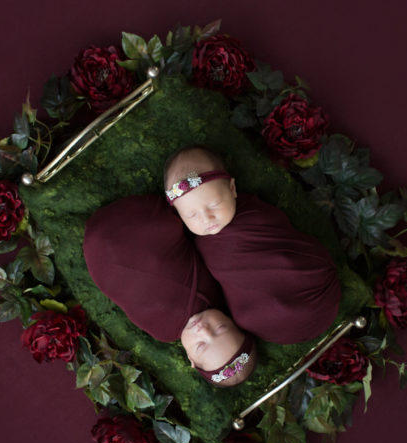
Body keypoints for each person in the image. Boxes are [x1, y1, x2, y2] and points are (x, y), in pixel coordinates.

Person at [164, 145, 342, 345]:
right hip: (263, 319)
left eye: (214, 205)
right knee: (248, 318)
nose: (207, 218)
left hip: (309, 285)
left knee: (295, 269)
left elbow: (281, 233)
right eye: (192, 215)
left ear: (232, 189)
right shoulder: (198, 243)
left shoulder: (254, 213)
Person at [83, 194, 256, 387]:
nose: (203, 330)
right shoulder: (218, 292)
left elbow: (133, 301)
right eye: (220, 328)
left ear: (190, 359)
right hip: (141, 228)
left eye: (200, 346)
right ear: (232, 320)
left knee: (122, 273)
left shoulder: (164, 332)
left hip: (103, 257)